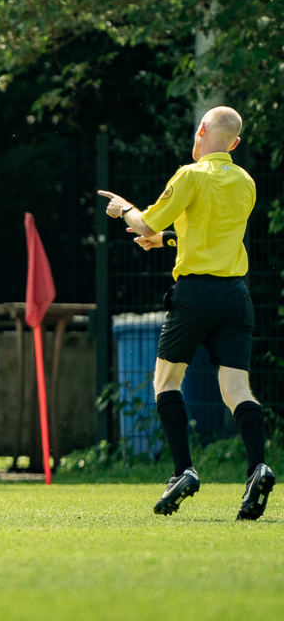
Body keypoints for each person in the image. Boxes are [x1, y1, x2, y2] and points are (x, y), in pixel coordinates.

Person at [99, 105, 275, 521]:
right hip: (235, 294)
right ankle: (257, 467)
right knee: (236, 389)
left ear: (201, 132)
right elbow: (214, 235)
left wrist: (124, 209)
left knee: (165, 382)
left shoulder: (189, 174)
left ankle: (183, 471)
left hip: (194, 294)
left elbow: (143, 222)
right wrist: (168, 241)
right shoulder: (246, 182)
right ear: (234, 143)